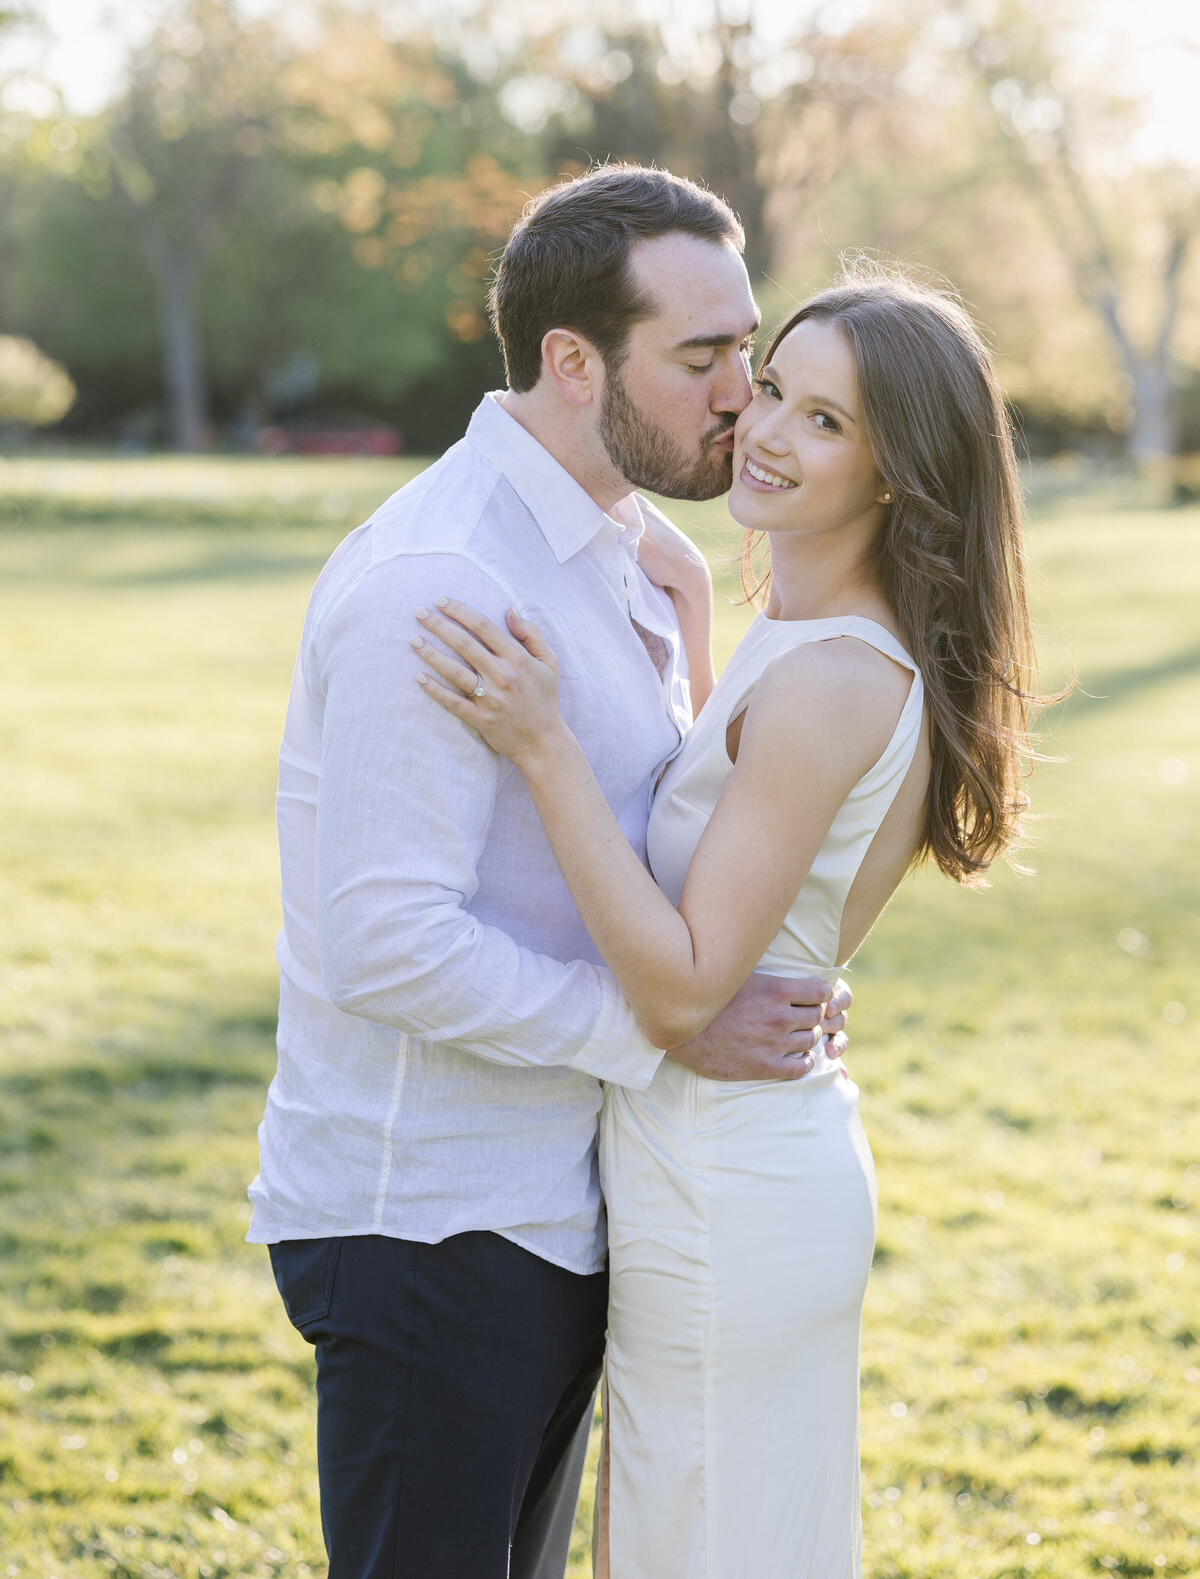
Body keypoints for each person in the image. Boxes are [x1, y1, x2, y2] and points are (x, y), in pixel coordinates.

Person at [246, 164, 855, 1579]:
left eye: (746, 354)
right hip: (432, 1228)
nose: (743, 397)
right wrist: (667, 1029)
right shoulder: (444, 581)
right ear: (574, 363)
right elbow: (388, 944)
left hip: (558, 1202)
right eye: (703, 359)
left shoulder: (626, 557)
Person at [413, 269, 1040, 1578]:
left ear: (896, 474)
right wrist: (702, 623)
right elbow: (732, 819)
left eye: (826, 423)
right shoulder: (809, 641)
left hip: (726, 1190)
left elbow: (690, 980)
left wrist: (545, 748)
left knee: (690, 1545)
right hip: (740, 1163)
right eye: (772, 388)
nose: (765, 430)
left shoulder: (828, 678)